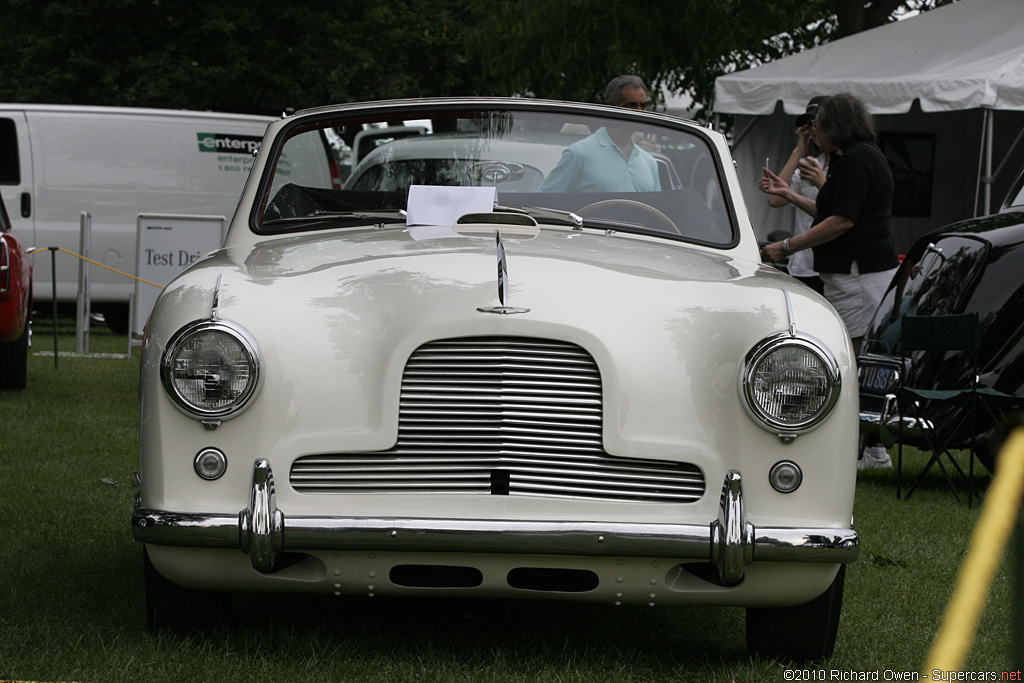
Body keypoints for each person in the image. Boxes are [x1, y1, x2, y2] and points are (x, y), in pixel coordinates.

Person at [760, 93, 900, 469]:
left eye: (818, 126)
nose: (815, 134)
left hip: (858, 276)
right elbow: (831, 211)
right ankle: (863, 449)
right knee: (854, 359)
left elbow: (841, 223)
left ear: (836, 125)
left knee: (852, 362)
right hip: (860, 274)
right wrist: (789, 194)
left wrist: (786, 247)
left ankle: (863, 450)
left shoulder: (855, 162)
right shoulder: (861, 155)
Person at [540, 75, 661, 193]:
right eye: (631, 105)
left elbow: (656, 210)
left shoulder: (649, 162)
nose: (639, 112)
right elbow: (543, 204)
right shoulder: (579, 154)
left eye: (643, 105)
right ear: (610, 107)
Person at [762, 96, 829, 294]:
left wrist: (820, 182)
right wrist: (799, 149)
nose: (812, 129)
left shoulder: (843, 165)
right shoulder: (809, 164)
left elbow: (837, 210)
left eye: (816, 123)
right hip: (801, 263)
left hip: (826, 266)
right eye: (809, 125)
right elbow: (775, 199)